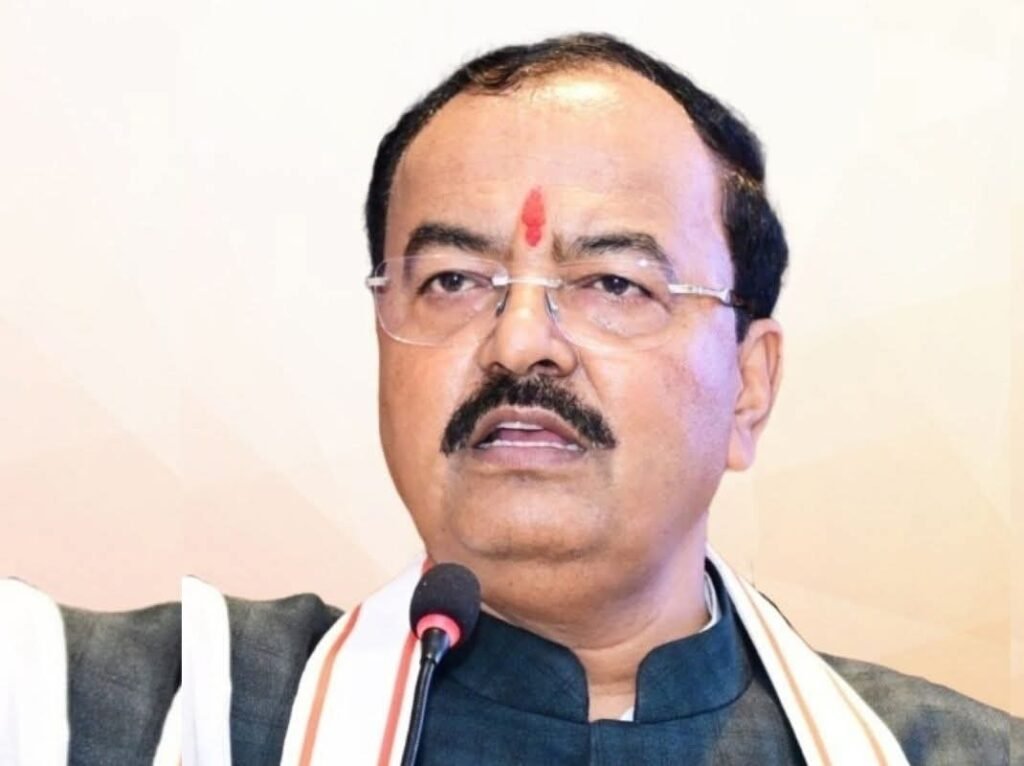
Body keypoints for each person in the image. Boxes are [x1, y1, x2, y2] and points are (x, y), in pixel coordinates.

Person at [2, 31, 1019, 766]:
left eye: (612, 282)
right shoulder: (131, 709)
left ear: (748, 387)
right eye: (452, 280)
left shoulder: (957, 752)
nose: (519, 340)